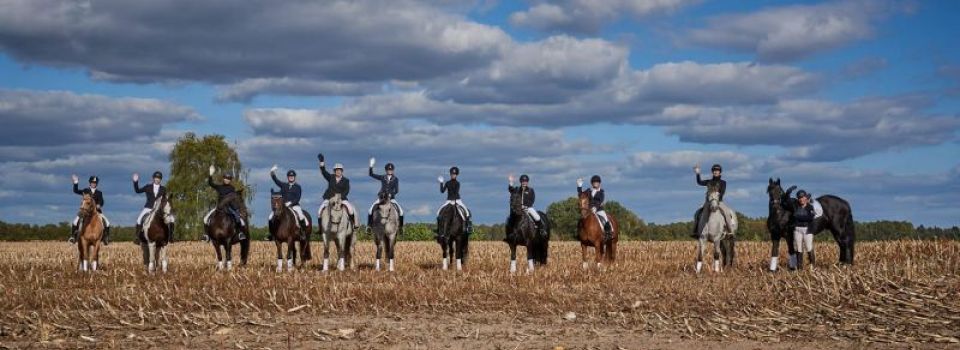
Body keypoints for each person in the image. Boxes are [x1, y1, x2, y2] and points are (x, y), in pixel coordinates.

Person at [203, 165, 247, 241]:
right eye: (226, 178)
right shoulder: (219, 187)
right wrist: (210, 174)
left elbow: (233, 199)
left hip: (229, 208)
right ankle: (206, 235)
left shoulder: (232, 188)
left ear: (230, 180)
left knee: (241, 221)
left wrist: (236, 209)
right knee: (205, 218)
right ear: (223, 178)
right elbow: (210, 183)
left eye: (229, 178)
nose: (227, 180)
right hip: (218, 207)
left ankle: (240, 233)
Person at [316, 153, 359, 228]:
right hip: (329, 198)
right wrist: (322, 162)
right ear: (334, 171)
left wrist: (341, 197)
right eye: (336, 170)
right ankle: (320, 228)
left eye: (339, 170)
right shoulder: (330, 177)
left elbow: (347, 190)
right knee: (319, 211)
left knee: (350, 209)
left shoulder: (346, 180)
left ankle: (353, 224)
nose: (338, 171)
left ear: (342, 171)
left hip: (341, 199)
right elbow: (323, 172)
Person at [133, 171, 175, 244]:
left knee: (172, 219)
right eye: (156, 178)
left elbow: (165, 199)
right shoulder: (148, 187)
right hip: (148, 207)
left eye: (159, 178)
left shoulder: (163, 189)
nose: (157, 179)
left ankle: (170, 236)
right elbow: (137, 191)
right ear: (153, 178)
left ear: (160, 180)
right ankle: (138, 237)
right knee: (139, 219)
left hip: (159, 209)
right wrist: (135, 182)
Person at [267, 165, 307, 241]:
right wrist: (272, 172)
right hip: (283, 206)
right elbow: (276, 180)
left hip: (294, 206)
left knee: (301, 216)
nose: (291, 177)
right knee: (270, 216)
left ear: (294, 177)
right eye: (289, 176)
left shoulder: (298, 187)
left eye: (292, 176)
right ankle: (271, 234)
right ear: (287, 177)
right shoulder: (284, 185)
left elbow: (298, 198)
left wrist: (291, 203)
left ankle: (302, 233)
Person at [691, 163, 730, 239]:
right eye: (714, 171)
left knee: (727, 213)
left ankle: (729, 231)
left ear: (720, 172)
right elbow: (699, 182)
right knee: (697, 213)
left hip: (719, 202)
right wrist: (698, 173)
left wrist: (717, 197)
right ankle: (695, 231)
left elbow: (722, 192)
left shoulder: (723, 182)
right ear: (712, 172)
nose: (716, 172)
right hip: (708, 202)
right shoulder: (709, 182)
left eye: (717, 171)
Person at [69, 175, 111, 245]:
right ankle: (73, 237)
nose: (93, 184)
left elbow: (102, 201)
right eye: (92, 182)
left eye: (95, 182)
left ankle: (106, 238)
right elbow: (75, 191)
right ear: (90, 183)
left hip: (96, 212)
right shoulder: (85, 190)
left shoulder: (99, 193)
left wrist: (99, 205)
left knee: (107, 222)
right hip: (85, 211)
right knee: (75, 221)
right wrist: (76, 183)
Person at [368, 157, 404, 235]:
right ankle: (369, 227)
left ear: (393, 170)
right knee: (370, 210)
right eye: (388, 169)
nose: (389, 171)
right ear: (386, 170)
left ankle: (400, 228)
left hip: (391, 199)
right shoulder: (382, 177)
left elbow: (396, 190)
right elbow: (371, 174)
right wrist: (371, 166)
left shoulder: (395, 179)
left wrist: (392, 194)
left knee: (401, 211)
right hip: (382, 199)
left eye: (391, 170)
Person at [437, 166, 472, 236]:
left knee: (467, 212)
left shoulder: (457, 183)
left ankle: (468, 227)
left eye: (454, 174)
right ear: (450, 174)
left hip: (457, 200)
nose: (453, 175)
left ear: (456, 175)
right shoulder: (447, 183)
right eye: (452, 174)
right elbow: (442, 191)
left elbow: (456, 192)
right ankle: (439, 229)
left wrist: (454, 201)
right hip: (448, 200)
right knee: (438, 212)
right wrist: (441, 183)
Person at [791, 190, 816, 269]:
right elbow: (794, 216)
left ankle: (812, 266)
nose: (801, 199)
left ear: (805, 197)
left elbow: (810, 218)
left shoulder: (810, 207)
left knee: (808, 247)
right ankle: (799, 267)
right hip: (797, 229)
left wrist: (798, 217)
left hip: (807, 230)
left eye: (802, 197)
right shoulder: (796, 206)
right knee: (798, 248)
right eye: (799, 198)